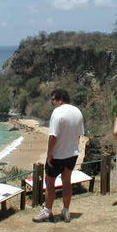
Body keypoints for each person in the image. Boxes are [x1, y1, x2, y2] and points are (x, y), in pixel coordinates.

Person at [33, 89, 84, 223]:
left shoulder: (57, 112)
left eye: (53, 99)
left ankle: (47, 211)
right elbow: (79, 134)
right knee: (67, 182)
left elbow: (53, 136)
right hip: (72, 154)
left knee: (50, 182)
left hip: (57, 155)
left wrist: (50, 154)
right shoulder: (77, 112)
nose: (52, 102)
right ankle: (66, 210)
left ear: (60, 100)